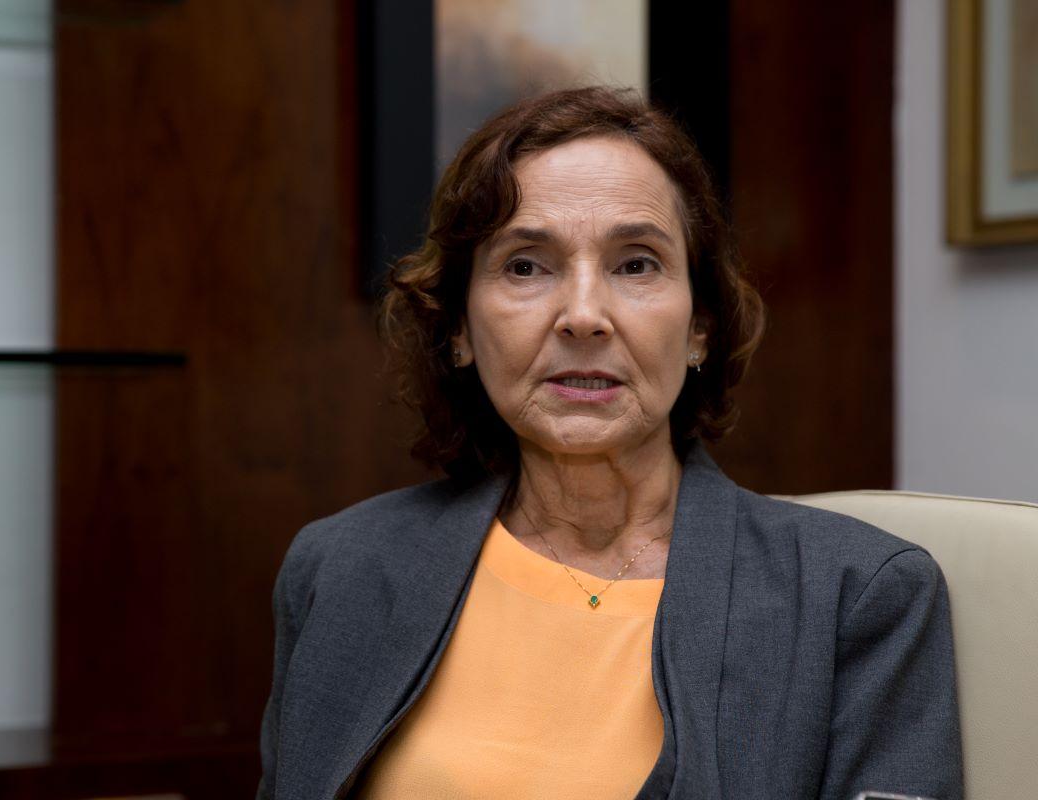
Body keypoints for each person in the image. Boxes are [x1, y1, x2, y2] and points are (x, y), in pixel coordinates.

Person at [257, 87, 962, 800]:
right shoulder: (338, 568)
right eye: (526, 265)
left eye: (636, 264)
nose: (584, 315)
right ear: (459, 328)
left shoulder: (858, 597)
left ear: (700, 326)